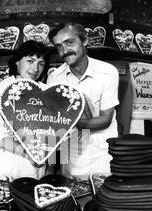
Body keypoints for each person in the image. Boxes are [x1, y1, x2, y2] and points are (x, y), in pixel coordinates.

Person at [47, 22, 119, 180]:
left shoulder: (107, 72)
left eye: (69, 42)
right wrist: (57, 167)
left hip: (103, 156)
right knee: (76, 202)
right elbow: (55, 129)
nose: (65, 51)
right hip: (73, 157)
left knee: (103, 201)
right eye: (59, 46)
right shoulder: (54, 78)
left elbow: (105, 120)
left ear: (85, 41)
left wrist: (67, 121)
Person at [0, 40, 50, 179]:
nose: (35, 69)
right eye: (30, 61)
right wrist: (30, 154)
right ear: (17, 62)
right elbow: (0, 136)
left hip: (37, 168)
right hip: (8, 166)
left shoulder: (45, 91)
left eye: (41, 63)